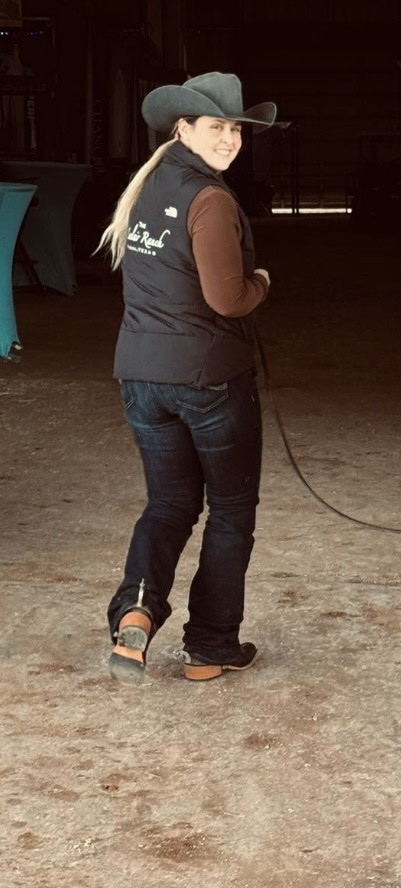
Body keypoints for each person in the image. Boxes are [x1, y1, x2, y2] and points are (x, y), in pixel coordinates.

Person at [98, 72, 277, 684]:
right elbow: (228, 298)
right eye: (217, 127)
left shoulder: (146, 186)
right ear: (184, 129)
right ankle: (210, 646)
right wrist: (262, 284)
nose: (230, 139)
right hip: (208, 381)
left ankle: (136, 613)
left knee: (169, 503)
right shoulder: (211, 199)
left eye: (237, 130)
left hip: (141, 377)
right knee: (230, 510)